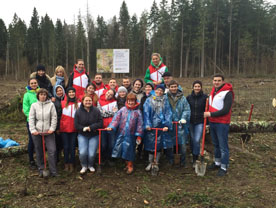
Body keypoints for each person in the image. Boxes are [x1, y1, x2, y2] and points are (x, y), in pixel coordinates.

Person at [204, 74, 234, 176]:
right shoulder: (213, 91)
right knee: (215, 144)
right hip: (213, 122)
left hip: (222, 123)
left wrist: (210, 114)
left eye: (219, 80)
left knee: (223, 146)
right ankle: (217, 163)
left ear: (223, 81)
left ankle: (224, 166)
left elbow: (226, 110)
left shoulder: (227, 93)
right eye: (215, 80)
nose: (216, 82)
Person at [106, 93, 143, 174]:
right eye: (129, 101)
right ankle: (126, 163)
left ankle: (130, 165)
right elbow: (116, 120)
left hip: (131, 135)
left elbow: (140, 125)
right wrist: (111, 127)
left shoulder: (137, 112)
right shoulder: (122, 110)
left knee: (129, 149)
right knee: (122, 148)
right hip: (121, 133)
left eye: (132, 101)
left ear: (135, 101)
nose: (130, 103)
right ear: (127, 101)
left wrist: (139, 136)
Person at [29, 88, 58, 177]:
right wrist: (33, 130)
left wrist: (52, 128)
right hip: (37, 132)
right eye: (41, 94)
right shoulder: (34, 105)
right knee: (39, 150)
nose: (43, 96)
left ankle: (53, 171)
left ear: (46, 96)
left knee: (52, 150)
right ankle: (41, 169)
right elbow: (31, 118)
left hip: (48, 132)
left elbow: (54, 117)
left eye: (44, 95)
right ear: (38, 96)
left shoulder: (51, 105)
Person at [143, 85, 172, 172]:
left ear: (163, 92)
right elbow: (146, 112)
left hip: (161, 126)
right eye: (158, 90)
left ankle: (156, 162)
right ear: (155, 90)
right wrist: (147, 124)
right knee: (151, 145)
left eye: (161, 90)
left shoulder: (165, 101)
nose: (159, 92)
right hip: (151, 127)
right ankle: (150, 162)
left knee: (159, 145)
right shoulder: (149, 100)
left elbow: (168, 113)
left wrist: (167, 125)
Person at [74, 95, 103, 174]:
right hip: (82, 135)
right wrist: (83, 128)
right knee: (83, 152)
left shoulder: (96, 110)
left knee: (91, 153)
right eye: (86, 101)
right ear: (82, 102)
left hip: (94, 135)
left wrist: (90, 127)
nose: (88, 102)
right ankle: (84, 165)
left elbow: (100, 123)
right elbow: (76, 125)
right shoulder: (78, 111)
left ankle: (90, 165)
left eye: (89, 100)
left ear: (92, 101)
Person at [166, 80, 190, 167]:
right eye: (171, 87)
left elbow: (186, 109)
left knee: (182, 144)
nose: (173, 88)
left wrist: (183, 118)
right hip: (170, 124)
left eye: (175, 87)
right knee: (170, 144)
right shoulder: (165, 98)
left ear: (177, 87)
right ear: (169, 88)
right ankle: (170, 160)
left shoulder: (182, 98)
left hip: (180, 125)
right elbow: (164, 110)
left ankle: (183, 161)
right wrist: (167, 120)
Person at [187, 80, 208, 167]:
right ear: (193, 87)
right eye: (195, 86)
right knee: (192, 140)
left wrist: (208, 122)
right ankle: (193, 155)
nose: (197, 88)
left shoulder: (205, 97)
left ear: (201, 87)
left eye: (198, 86)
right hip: (191, 121)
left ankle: (196, 158)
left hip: (200, 122)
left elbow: (208, 109)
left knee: (196, 140)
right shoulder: (188, 98)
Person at [60, 87, 80, 172]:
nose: (71, 93)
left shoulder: (79, 104)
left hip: (74, 129)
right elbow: (59, 116)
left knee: (72, 147)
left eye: (73, 92)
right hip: (64, 129)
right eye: (70, 92)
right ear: (67, 94)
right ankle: (66, 163)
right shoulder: (62, 103)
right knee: (66, 147)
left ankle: (72, 163)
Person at [97, 89, 118, 165]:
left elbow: (116, 113)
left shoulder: (114, 102)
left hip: (111, 126)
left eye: (111, 94)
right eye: (108, 92)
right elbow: (100, 113)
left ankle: (109, 158)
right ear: (106, 92)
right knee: (103, 144)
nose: (109, 95)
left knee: (111, 144)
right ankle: (103, 158)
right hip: (103, 126)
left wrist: (106, 112)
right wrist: (111, 113)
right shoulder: (99, 102)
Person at [23, 78, 40, 169]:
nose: (34, 84)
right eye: (32, 83)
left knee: (40, 142)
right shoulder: (27, 95)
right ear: (29, 84)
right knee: (32, 141)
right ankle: (31, 160)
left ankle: (40, 159)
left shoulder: (40, 92)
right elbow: (26, 109)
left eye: (35, 83)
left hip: (41, 121)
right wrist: (32, 118)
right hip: (31, 121)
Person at [53, 85, 66, 163]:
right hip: (58, 125)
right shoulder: (54, 102)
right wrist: (57, 127)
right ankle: (57, 158)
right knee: (57, 143)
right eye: (57, 91)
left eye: (60, 90)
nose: (59, 92)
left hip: (66, 125)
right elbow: (55, 116)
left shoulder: (67, 100)